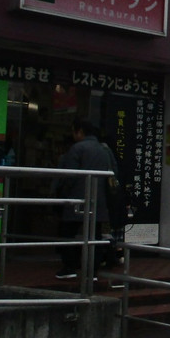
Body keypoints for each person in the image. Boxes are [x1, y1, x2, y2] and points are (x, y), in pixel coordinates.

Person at [54, 118, 117, 279]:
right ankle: (92, 272)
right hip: (99, 201)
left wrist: (61, 194)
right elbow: (113, 174)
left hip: (77, 200)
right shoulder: (104, 150)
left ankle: (69, 268)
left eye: (74, 131)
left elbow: (69, 176)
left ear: (80, 131)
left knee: (67, 234)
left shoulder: (77, 148)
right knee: (94, 237)